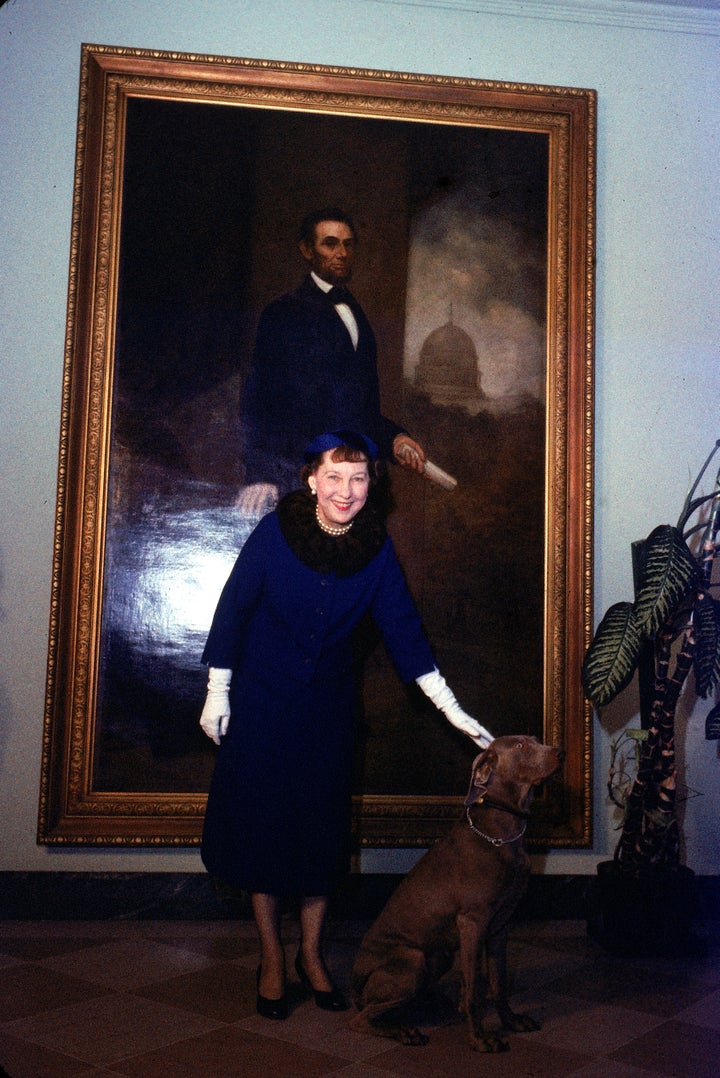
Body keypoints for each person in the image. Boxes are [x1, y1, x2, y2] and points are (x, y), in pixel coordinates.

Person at [199, 430, 492, 1019]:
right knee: (263, 834)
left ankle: (311, 954)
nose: (346, 490)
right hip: (260, 706)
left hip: (326, 714)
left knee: (316, 838)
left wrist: (452, 710)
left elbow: (404, 632)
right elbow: (233, 609)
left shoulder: (376, 550)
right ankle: (272, 957)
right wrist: (217, 690)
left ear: (369, 487)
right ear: (312, 480)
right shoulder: (275, 533)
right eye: (334, 477)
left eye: (358, 479)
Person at [238, 208, 427, 515]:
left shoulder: (355, 312)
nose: (341, 253)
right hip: (300, 481)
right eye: (330, 243)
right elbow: (259, 401)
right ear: (306, 250)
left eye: (348, 244)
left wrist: (394, 438)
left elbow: (357, 406)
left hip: (355, 486)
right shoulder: (283, 313)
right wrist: (261, 475)